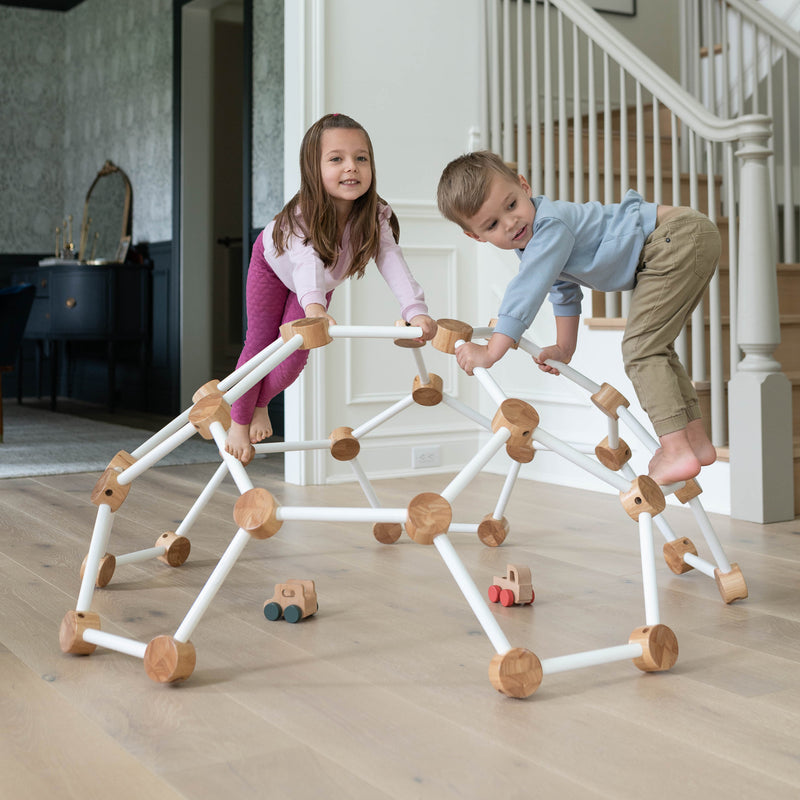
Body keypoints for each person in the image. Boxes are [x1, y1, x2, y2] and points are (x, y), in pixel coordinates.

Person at [436, 150, 720, 486]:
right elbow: (563, 290)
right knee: (656, 348)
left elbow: (527, 289)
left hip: (676, 237)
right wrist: (564, 347)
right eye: (492, 224)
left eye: (511, 205)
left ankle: (675, 449)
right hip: (682, 239)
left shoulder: (550, 225)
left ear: (524, 186)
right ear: (476, 236)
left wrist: (491, 351)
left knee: (641, 349)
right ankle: (695, 442)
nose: (510, 222)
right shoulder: (538, 240)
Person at [225, 113, 437, 463]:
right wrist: (315, 309)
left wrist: (415, 310)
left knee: (294, 358)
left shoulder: (375, 215)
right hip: (274, 267)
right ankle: (238, 420)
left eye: (361, 158)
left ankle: (261, 402)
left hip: (316, 287)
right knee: (261, 343)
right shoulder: (301, 215)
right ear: (313, 169)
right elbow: (306, 261)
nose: (351, 167)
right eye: (336, 159)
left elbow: (391, 261)